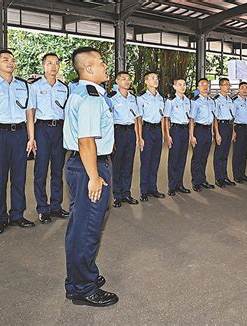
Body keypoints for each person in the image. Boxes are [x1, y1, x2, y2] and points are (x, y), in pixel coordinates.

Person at [63, 47, 118, 307]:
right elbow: (86, 141)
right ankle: (83, 288)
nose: (105, 66)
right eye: (101, 62)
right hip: (89, 165)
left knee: (81, 227)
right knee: (87, 230)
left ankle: (80, 278)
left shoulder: (82, 92)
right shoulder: (90, 97)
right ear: (88, 68)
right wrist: (94, 177)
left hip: (82, 164)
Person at [0, 49, 37, 236]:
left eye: (12, 60)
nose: (10, 63)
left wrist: (31, 137)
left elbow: (29, 114)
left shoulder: (24, 85)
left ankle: (17, 215)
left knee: (19, 177)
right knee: (0, 179)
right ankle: (0, 218)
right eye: (5, 60)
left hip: (20, 135)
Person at [30, 53, 70, 224]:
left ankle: (56, 205)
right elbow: (30, 113)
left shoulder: (64, 87)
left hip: (59, 130)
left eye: (56, 62)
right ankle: (42, 208)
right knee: (41, 170)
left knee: (57, 170)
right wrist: (31, 137)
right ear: (43, 66)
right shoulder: (35, 87)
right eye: (49, 63)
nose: (53, 66)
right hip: (42, 129)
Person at [109, 71, 141, 208]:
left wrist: (139, 137)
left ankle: (126, 193)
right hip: (118, 132)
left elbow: (137, 118)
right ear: (117, 81)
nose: (127, 81)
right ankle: (117, 195)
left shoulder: (133, 98)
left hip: (130, 132)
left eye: (128, 79)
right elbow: (108, 120)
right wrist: (111, 140)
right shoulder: (111, 98)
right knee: (117, 164)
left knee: (128, 164)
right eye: (123, 79)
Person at [137, 71, 166, 202]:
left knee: (155, 160)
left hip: (157, 130)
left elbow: (164, 118)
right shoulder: (141, 98)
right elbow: (138, 119)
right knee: (146, 161)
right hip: (147, 130)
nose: (156, 80)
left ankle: (153, 188)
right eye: (152, 78)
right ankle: (144, 191)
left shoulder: (161, 97)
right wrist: (139, 137)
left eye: (157, 78)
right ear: (146, 81)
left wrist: (165, 134)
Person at [164, 77, 192, 196]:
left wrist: (191, 134)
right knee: (174, 159)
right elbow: (165, 119)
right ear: (175, 86)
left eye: (184, 84)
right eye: (179, 85)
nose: (182, 87)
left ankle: (179, 184)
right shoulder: (170, 100)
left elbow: (190, 119)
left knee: (182, 158)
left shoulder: (187, 100)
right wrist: (167, 135)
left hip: (185, 130)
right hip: (175, 130)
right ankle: (172, 186)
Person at [189, 78, 215, 192]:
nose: (205, 86)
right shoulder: (195, 101)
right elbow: (191, 120)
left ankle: (202, 179)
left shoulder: (211, 101)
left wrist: (213, 132)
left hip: (208, 131)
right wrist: (192, 135)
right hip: (198, 130)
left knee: (204, 157)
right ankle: (196, 181)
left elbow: (213, 118)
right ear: (198, 88)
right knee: (197, 157)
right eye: (202, 85)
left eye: (206, 84)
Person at [213, 77, 236, 188]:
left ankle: (225, 176)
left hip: (229, 126)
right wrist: (217, 133)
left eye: (228, 84)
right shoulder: (217, 100)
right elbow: (215, 118)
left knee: (226, 153)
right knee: (219, 154)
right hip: (221, 126)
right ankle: (219, 178)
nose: (228, 87)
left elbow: (232, 117)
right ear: (220, 86)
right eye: (225, 84)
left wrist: (233, 131)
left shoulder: (230, 100)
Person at [232, 81, 247, 183]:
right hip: (238, 128)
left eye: (246, 88)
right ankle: (237, 175)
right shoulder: (235, 101)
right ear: (239, 89)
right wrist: (233, 131)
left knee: (245, 152)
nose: (245, 90)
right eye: (242, 88)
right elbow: (232, 117)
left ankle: (242, 173)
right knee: (237, 152)